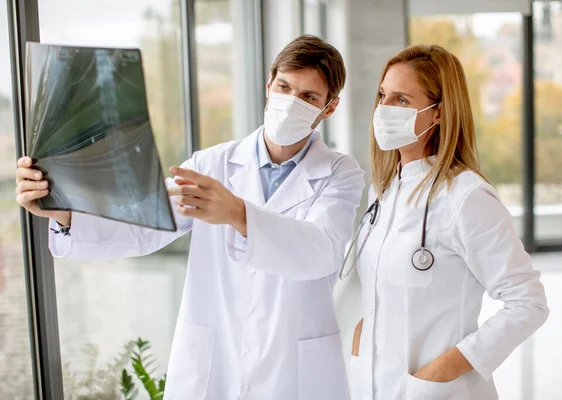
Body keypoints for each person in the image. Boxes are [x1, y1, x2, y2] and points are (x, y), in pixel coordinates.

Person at [15, 35, 364, 400]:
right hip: (215, 362)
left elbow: (321, 252)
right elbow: (145, 225)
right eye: (284, 87)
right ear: (268, 85)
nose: (291, 103)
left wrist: (237, 212)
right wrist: (68, 214)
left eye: (308, 97)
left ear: (329, 107)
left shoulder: (341, 173)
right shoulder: (210, 164)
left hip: (294, 369)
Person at [347, 45, 549, 400]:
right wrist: (361, 340)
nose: (384, 109)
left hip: (438, 391)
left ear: (437, 113)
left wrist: (440, 373)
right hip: (373, 385)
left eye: (402, 100)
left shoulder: (466, 196)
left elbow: (528, 302)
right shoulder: (384, 191)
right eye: (382, 96)